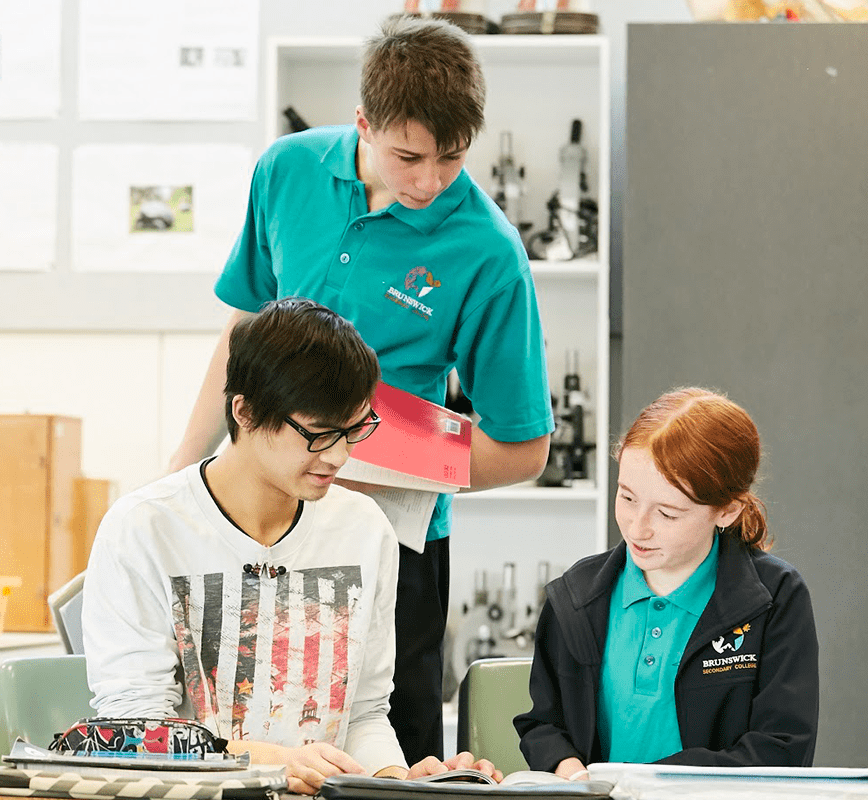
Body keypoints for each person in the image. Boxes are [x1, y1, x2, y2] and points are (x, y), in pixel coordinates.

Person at [167, 14, 553, 763]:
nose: (431, 181)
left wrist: (374, 465)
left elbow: (524, 447)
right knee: (244, 745)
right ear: (362, 123)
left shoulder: (489, 250)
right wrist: (184, 467)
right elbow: (241, 334)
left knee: (387, 755)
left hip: (391, 550)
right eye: (409, 156)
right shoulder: (284, 171)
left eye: (452, 158)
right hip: (250, 526)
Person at [85, 298, 500, 794]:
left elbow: (365, 713)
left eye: (354, 430)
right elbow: (135, 733)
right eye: (320, 434)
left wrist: (398, 781)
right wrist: (275, 762)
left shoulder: (364, 529)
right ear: (245, 412)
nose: (341, 456)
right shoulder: (144, 529)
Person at [514, 388, 819, 773]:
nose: (637, 529)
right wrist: (570, 771)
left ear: (727, 511)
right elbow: (543, 723)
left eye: (668, 514)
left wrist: (654, 786)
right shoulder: (574, 596)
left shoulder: (776, 599)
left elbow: (781, 748)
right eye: (626, 498)